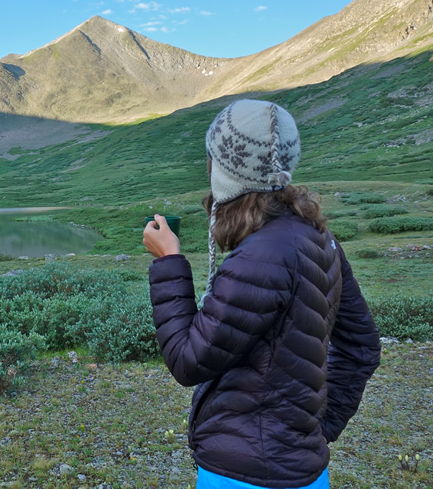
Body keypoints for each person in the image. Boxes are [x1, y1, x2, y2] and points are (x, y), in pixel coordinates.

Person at [142, 99, 381, 489]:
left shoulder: (260, 257)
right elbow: (362, 347)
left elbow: (187, 362)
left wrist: (169, 260)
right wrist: (314, 432)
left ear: (223, 168)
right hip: (303, 472)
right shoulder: (318, 239)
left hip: (244, 475)